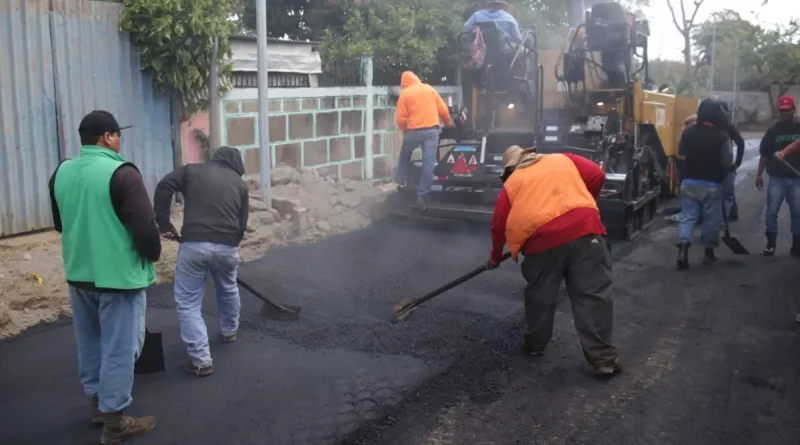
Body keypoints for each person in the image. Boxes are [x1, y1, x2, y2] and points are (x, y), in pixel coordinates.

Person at [49, 110, 161, 444]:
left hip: (79, 273)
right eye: (117, 135)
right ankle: (115, 422)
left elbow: (60, 223)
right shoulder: (122, 173)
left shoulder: (62, 172)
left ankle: (99, 404)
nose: (119, 142)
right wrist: (153, 253)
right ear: (108, 137)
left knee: (91, 342)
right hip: (117, 277)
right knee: (120, 347)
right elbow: (145, 229)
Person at [486, 145, 620, 377]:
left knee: (540, 296)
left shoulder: (513, 181)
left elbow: (499, 225)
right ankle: (604, 360)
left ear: (510, 168)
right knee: (593, 296)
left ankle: (536, 345)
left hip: (542, 243)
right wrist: (584, 204)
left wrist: (495, 256)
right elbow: (597, 175)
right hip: (587, 235)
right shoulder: (562, 159)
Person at [153, 146, 249, 377]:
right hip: (227, 246)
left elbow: (164, 185)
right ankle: (230, 330)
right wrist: (229, 245)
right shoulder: (240, 184)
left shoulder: (192, 171)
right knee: (228, 286)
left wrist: (163, 223)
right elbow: (242, 223)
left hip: (194, 244)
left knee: (188, 302)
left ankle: (200, 359)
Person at [675, 99, 733, 269]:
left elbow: (681, 151)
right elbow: (727, 162)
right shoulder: (722, 136)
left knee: (687, 217)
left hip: (689, 182)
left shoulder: (688, 132)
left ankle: (683, 250)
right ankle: (708, 254)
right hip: (712, 184)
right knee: (711, 220)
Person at [394, 71, 454, 205]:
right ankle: (422, 195)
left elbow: (400, 119)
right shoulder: (429, 89)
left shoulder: (405, 94)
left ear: (404, 82)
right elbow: (443, 109)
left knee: (405, 153)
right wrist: (449, 123)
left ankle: (401, 180)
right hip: (432, 131)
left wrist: (406, 131)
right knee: (428, 163)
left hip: (414, 131)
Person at [755, 95, 800, 257]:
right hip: (777, 178)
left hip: (797, 179)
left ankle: (796, 246)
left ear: (793, 110)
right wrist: (759, 174)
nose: (784, 113)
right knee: (772, 211)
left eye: (787, 110)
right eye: (782, 110)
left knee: (797, 212)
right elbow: (764, 154)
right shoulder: (773, 131)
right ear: (778, 111)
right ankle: (770, 244)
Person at [716, 99, 746, 222]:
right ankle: (730, 214)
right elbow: (741, 143)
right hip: (725, 163)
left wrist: (737, 163)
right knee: (727, 191)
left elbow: (741, 143)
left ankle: (728, 215)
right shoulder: (729, 126)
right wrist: (737, 163)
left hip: (716, 163)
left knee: (725, 192)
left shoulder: (724, 126)